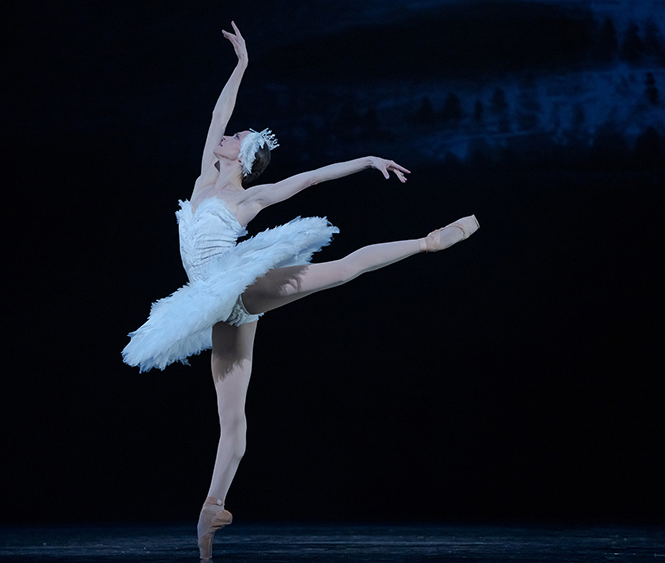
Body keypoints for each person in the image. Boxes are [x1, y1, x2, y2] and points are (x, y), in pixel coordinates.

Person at [122, 22, 479, 560]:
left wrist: (365, 160)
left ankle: (427, 242)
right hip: (217, 304)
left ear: (242, 158)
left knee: (339, 271)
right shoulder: (201, 180)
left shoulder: (249, 197)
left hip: (240, 285)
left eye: (236, 137)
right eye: (231, 132)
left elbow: (309, 179)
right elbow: (216, 115)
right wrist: (241, 65)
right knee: (233, 422)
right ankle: (211, 509)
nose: (225, 133)